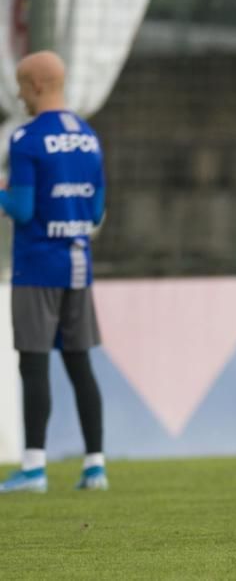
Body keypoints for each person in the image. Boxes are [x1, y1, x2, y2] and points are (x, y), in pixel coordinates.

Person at [0, 51, 108, 493]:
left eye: (22, 87)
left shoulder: (26, 139)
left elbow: (22, 209)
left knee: (34, 361)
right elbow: (97, 209)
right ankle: (95, 466)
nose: (20, 97)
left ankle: (34, 467)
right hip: (79, 265)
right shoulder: (88, 135)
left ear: (37, 86)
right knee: (80, 363)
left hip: (38, 265)